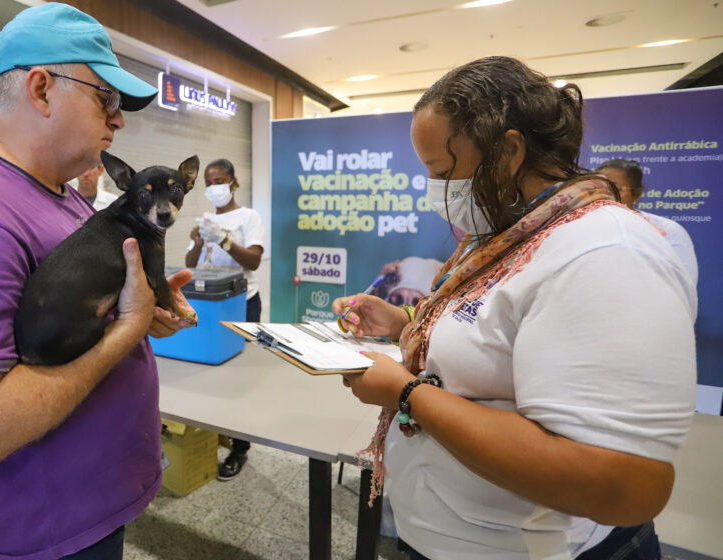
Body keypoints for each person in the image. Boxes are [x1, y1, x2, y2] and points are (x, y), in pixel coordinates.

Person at [332, 56, 696, 560]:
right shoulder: (505, 235)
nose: (436, 189)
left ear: (508, 150)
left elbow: (624, 485)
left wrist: (407, 392)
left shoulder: (608, 251)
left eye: (441, 170)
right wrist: (404, 326)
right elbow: (495, 342)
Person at [0, 4, 194, 559]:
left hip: (91, 508)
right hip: (40, 535)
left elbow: (89, 316)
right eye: (107, 98)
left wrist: (143, 312)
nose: (120, 118)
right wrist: (126, 331)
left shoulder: (65, 198)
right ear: (42, 88)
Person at [185, 158, 265, 480]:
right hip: (210, 303)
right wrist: (202, 240)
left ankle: (240, 447)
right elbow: (190, 261)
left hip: (242, 302)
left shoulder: (249, 217)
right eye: (208, 181)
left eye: (219, 180)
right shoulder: (206, 219)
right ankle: (216, 430)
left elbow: (255, 261)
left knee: (239, 377)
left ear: (233, 182)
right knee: (211, 370)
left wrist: (225, 240)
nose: (213, 187)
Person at [595, 158, 698, 285]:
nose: (604, 195)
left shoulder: (668, 231)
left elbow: (685, 284)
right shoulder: (582, 227)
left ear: (637, 194)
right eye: (597, 189)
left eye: (616, 189)